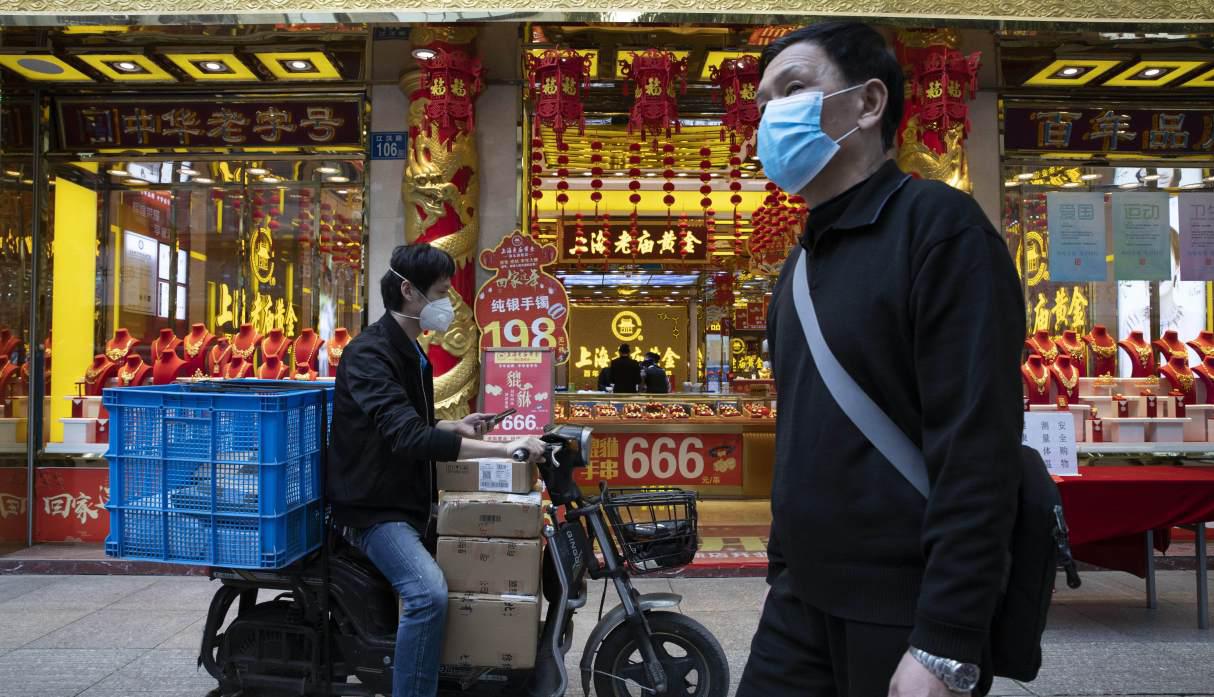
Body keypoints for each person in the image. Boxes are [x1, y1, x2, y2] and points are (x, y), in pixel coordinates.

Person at [738, 22, 1022, 697]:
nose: (772, 115)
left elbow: (979, 448)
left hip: (903, 611)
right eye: (763, 102)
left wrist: (946, 640)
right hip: (798, 605)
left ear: (868, 104)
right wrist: (783, 566)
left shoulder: (939, 230)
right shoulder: (800, 265)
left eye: (794, 89)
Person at [326, 243, 546, 697]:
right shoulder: (370, 354)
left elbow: (409, 424)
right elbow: (407, 439)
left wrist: (454, 425)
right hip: (372, 511)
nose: (448, 305)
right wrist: (507, 451)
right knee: (427, 595)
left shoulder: (408, 349)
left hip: (407, 499)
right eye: (442, 293)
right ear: (409, 291)